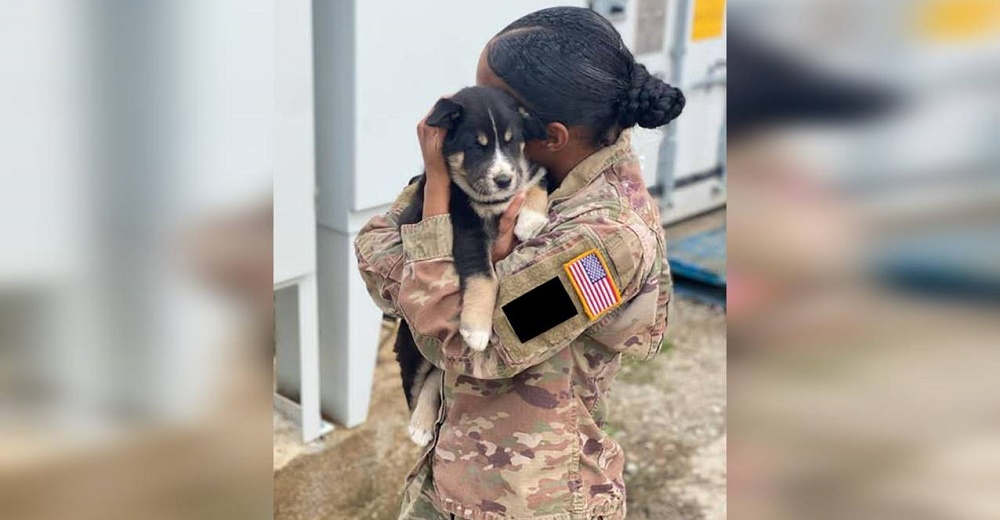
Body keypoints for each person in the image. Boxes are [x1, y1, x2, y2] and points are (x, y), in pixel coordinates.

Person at [355, 7, 684, 520]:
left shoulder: (605, 245)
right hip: (453, 476)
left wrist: (437, 193)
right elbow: (373, 244)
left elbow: (472, 346)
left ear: (549, 134)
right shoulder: (518, 172)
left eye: (497, 102)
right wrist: (436, 206)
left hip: (531, 499)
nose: (475, 110)